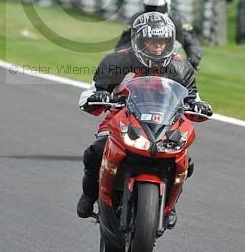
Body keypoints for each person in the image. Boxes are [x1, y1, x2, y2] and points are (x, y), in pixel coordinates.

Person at [76, 11, 212, 228]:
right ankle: (89, 195)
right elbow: (90, 92)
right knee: (95, 150)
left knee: (186, 161)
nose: (158, 46)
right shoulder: (117, 61)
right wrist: (97, 96)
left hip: (164, 122)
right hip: (122, 118)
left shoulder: (181, 67)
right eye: (152, 41)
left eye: (163, 41)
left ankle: (170, 204)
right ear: (139, 40)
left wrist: (200, 106)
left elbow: (194, 98)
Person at [115, 0, 202, 69]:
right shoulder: (136, 20)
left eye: (158, 8)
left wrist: (193, 58)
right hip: (140, 63)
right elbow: (123, 43)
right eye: (151, 8)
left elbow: (191, 41)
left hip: (171, 65)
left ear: (167, 5)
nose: (155, 12)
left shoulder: (178, 20)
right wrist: (122, 60)